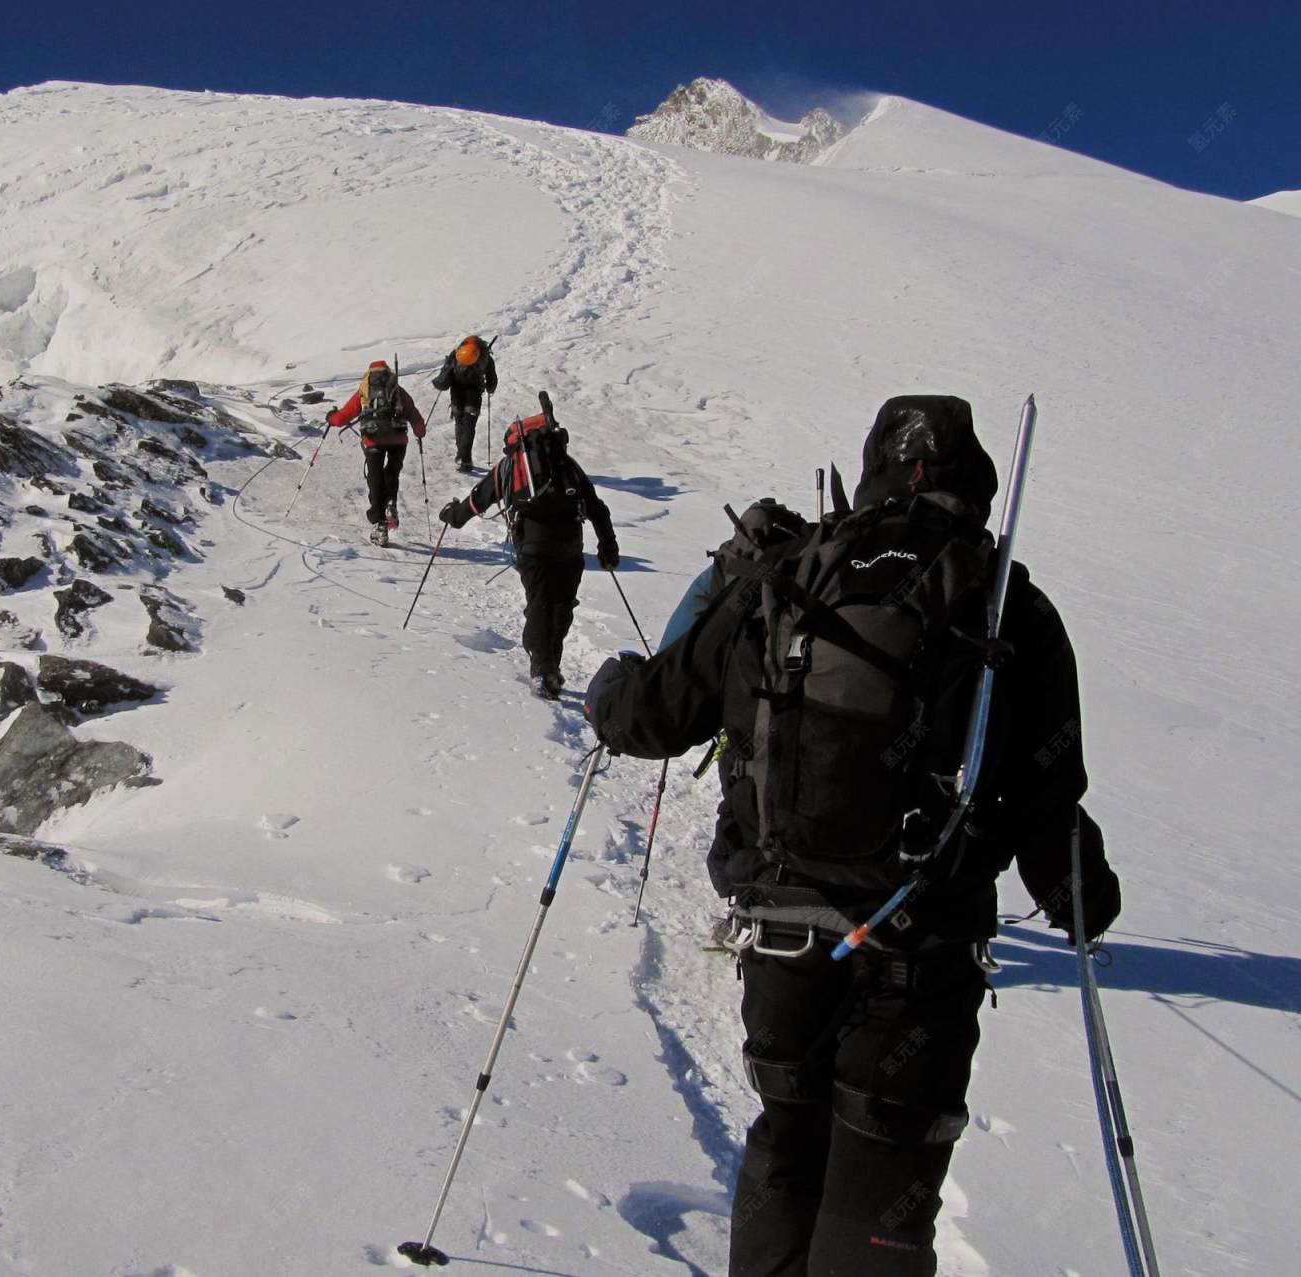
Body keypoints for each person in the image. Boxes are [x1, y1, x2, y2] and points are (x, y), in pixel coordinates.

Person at [583, 395, 1122, 1276]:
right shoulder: (1007, 606)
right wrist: (1088, 899)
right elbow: (1053, 840)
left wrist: (611, 688)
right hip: (921, 960)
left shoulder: (795, 572)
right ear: (976, 483)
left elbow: (655, 712)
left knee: (787, 1139)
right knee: (883, 1181)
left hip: (788, 944)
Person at [439, 409, 618, 699]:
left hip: (533, 546)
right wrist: (608, 548)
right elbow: (596, 507)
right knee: (561, 605)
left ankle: (541, 670)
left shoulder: (511, 467)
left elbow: (476, 501)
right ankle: (550, 669)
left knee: (539, 604)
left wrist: (452, 516)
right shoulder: (565, 464)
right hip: (569, 546)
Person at [326, 360, 427, 546]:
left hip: (373, 439)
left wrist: (331, 418)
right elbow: (413, 414)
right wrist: (419, 431)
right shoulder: (397, 390)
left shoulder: (364, 390)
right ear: (388, 373)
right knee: (392, 474)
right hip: (398, 440)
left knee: (375, 479)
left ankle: (379, 523)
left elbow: (343, 417)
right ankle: (390, 502)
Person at [430, 334, 498, 473]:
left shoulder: (456, 354)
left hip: (456, 392)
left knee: (459, 422)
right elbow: (492, 380)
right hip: (474, 394)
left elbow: (446, 372)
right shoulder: (485, 357)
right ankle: (465, 458)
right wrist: (490, 388)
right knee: (469, 425)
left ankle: (461, 453)